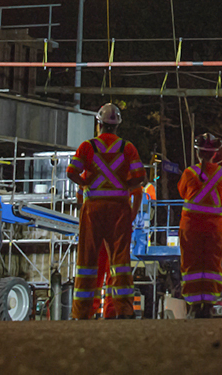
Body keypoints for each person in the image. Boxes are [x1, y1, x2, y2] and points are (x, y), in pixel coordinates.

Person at [67, 103, 145, 319]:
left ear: (98, 124)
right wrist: (120, 188)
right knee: (120, 262)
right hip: (119, 209)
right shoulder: (127, 148)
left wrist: (86, 185)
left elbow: (71, 172)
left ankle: (82, 312)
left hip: (93, 209)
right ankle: (123, 310)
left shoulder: (87, 146)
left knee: (87, 260)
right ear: (117, 126)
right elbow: (139, 178)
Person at [178, 133, 222, 318]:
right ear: (215, 153)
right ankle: (208, 305)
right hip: (215, 229)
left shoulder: (189, 173)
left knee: (191, 265)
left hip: (191, 228)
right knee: (212, 266)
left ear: (198, 153)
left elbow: (182, 191)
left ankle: (193, 305)